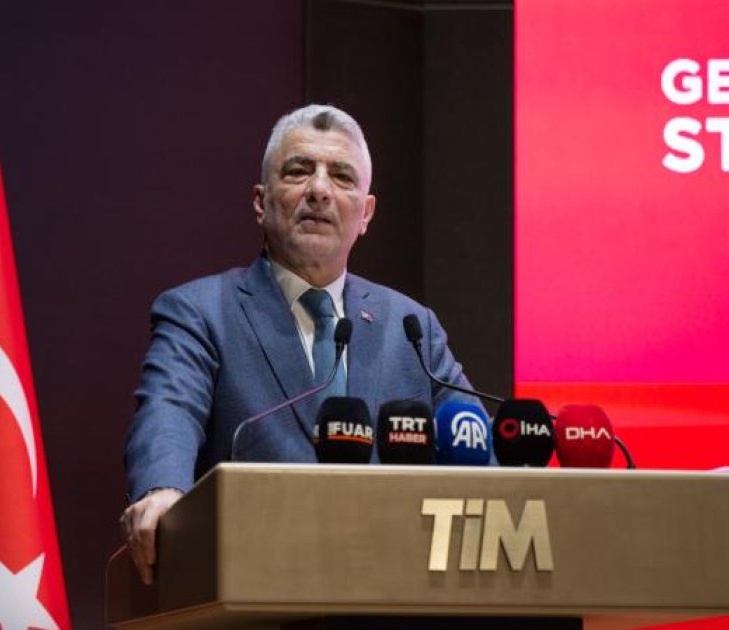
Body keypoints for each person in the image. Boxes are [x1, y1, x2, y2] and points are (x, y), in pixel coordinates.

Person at [120, 104, 481, 584]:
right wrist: (163, 490)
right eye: (298, 171)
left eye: (342, 177)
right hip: (256, 583)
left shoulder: (412, 327)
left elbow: (475, 442)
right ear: (260, 201)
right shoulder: (201, 311)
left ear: (366, 213)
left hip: (396, 583)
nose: (319, 190)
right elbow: (170, 409)